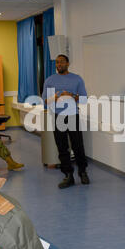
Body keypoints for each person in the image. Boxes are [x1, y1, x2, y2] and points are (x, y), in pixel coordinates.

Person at [42, 54, 90, 189]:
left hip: (73, 115)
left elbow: (84, 99)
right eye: (57, 63)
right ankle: (68, 175)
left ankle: (82, 172)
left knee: (78, 146)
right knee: (62, 147)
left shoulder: (76, 79)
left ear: (68, 64)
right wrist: (56, 97)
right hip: (58, 116)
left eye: (62, 62)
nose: (59, 65)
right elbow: (45, 101)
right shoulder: (50, 80)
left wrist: (72, 96)